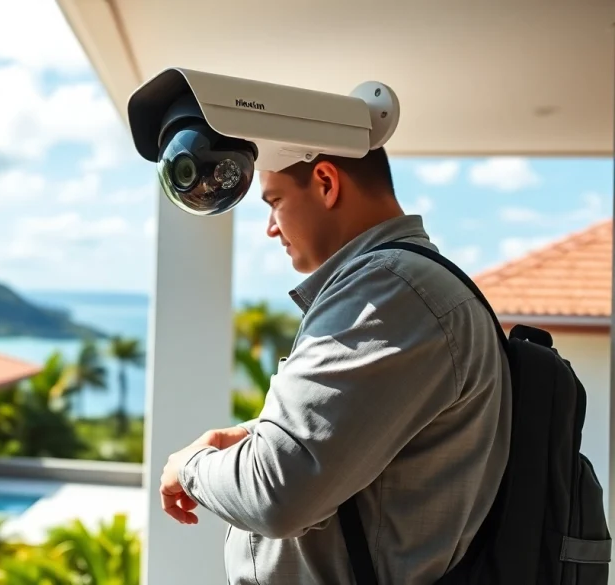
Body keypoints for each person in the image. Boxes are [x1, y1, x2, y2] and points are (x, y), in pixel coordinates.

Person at [158, 147, 512, 584]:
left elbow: (277, 493)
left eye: (275, 202)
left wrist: (190, 466)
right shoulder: (398, 285)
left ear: (326, 182)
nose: (270, 228)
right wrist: (257, 437)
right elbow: (358, 440)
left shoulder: (388, 291)